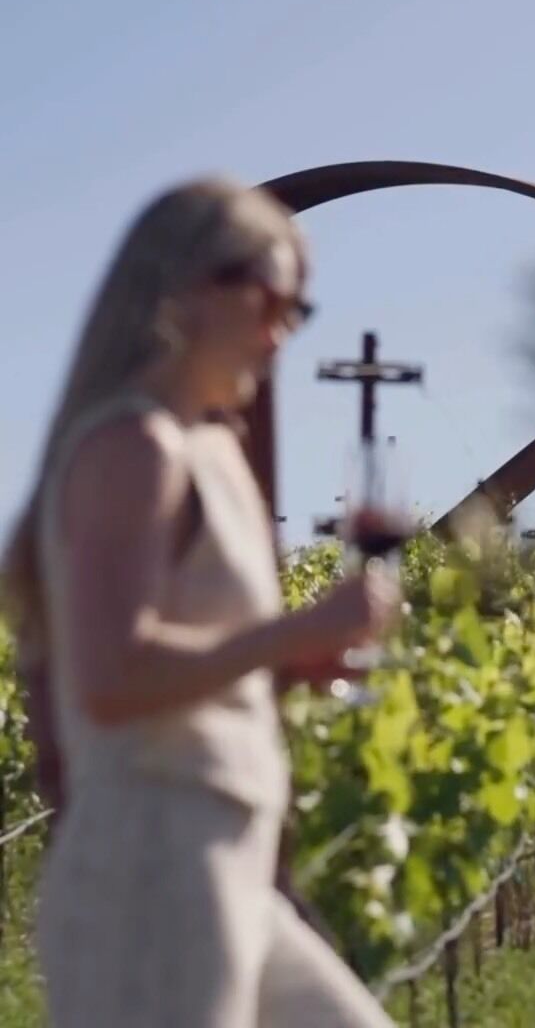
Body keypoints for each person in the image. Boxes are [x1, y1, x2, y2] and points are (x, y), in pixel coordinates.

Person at [3, 177, 399, 1027]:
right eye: (272, 300)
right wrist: (293, 631)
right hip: (149, 861)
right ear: (186, 289)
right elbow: (111, 677)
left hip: (224, 857)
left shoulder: (210, 451)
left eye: (297, 310)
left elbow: (192, 666)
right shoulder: (134, 447)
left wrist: (283, 660)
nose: (282, 332)